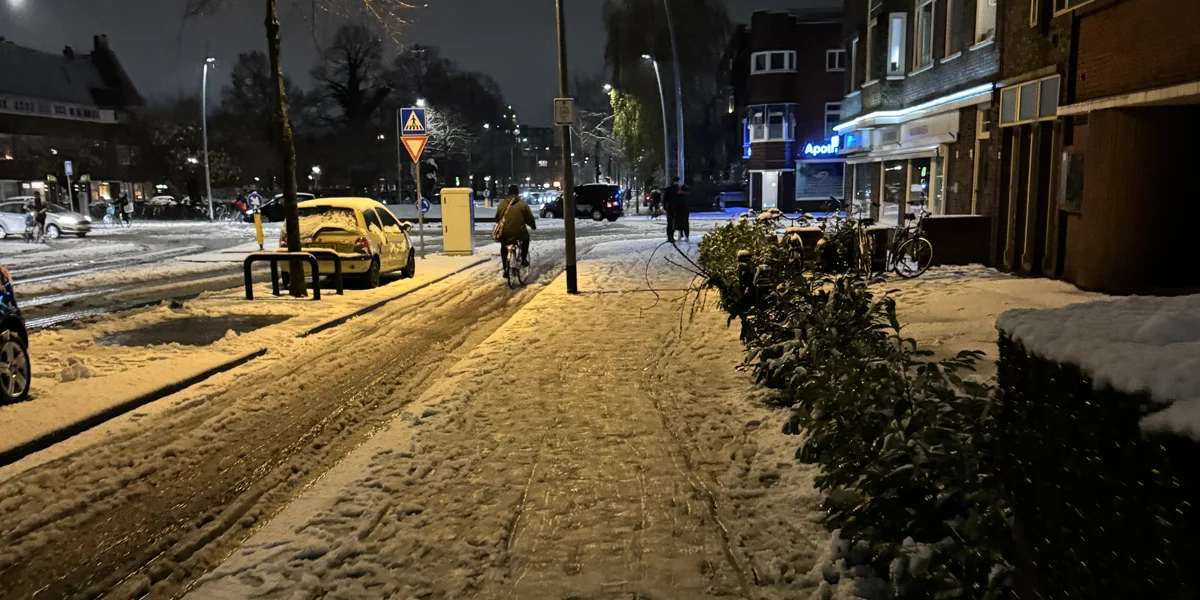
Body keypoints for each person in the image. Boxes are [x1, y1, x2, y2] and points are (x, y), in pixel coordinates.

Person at [495, 184, 536, 268]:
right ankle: (523, 259)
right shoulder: (522, 204)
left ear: (508, 193)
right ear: (517, 193)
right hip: (519, 232)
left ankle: (505, 268)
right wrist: (533, 226)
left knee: (504, 247)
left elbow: (497, 217)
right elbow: (529, 217)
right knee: (526, 239)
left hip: (506, 232)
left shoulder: (503, 204)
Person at [663, 177, 682, 241]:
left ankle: (670, 236)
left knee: (671, 223)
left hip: (671, 208)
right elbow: (665, 198)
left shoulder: (671, 188)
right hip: (672, 208)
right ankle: (670, 236)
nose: (677, 183)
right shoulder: (676, 189)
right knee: (671, 222)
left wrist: (665, 207)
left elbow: (664, 198)